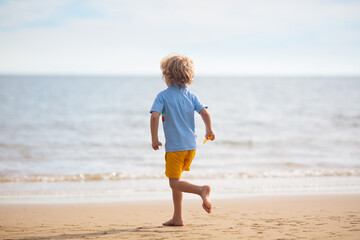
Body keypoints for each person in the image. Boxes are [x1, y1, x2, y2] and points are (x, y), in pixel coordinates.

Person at [150, 54, 215, 226]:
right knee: (177, 180)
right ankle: (178, 217)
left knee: (174, 183)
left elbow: (155, 117)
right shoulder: (192, 96)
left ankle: (201, 190)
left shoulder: (162, 96)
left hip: (175, 148)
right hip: (190, 147)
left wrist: (154, 139)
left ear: (168, 76)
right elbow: (205, 113)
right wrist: (208, 130)